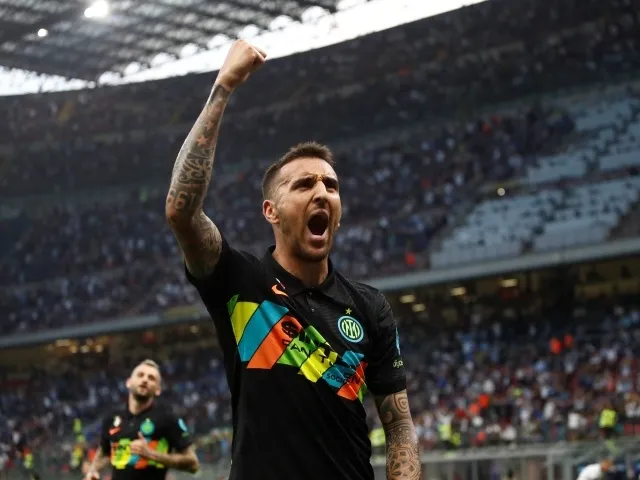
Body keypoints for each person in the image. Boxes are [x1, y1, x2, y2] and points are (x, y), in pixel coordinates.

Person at [166, 39, 421, 480]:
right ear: (271, 211)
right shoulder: (239, 281)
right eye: (304, 185)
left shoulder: (369, 306)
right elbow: (181, 211)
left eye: (331, 186)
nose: (322, 192)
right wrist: (223, 87)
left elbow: (398, 425)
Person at [83, 360, 199, 480]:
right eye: (140, 375)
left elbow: (193, 464)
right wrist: (92, 471)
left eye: (151, 378)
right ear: (128, 382)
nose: (145, 380)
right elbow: (104, 453)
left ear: (158, 390)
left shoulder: (168, 418)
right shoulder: (111, 418)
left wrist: (151, 454)